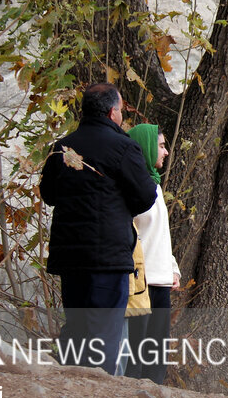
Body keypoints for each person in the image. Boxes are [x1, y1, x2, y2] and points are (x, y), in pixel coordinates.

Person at [39, 83, 158, 374]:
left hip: (70, 256)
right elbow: (146, 196)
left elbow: (49, 195)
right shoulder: (123, 147)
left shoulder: (63, 148)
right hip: (108, 256)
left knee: (78, 329)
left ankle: (71, 394)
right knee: (105, 334)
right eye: (120, 110)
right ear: (111, 112)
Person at [123, 124, 180, 384]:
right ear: (144, 147)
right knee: (136, 352)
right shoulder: (131, 189)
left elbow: (160, 234)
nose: (166, 152)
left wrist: (172, 267)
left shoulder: (154, 187)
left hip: (160, 280)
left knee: (156, 352)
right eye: (160, 146)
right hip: (139, 283)